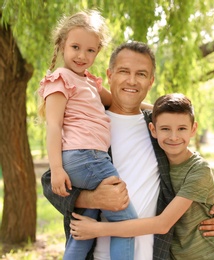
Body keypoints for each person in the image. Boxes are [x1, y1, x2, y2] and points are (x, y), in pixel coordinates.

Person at [41, 41, 214, 260]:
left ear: (151, 82)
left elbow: (187, 173)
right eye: (123, 71)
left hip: (154, 254)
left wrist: (212, 206)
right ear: (109, 75)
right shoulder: (89, 123)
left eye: (141, 74)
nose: (131, 80)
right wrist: (92, 199)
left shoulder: (159, 129)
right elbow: (51, 183)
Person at [70, 93, 214, 259]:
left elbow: (162, 224)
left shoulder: (199, 170)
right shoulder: (160, 159)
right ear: (153, 130)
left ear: (193, 129)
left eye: (182, 129)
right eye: (165, 129)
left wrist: (97, 229)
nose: (174, 136)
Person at [38, 10, 138, 260]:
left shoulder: (90, 83)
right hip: (86, 158)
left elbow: (118, 101)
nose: (82, 56)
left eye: (91, 50)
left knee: (83, 230)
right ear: (61, 45)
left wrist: (157, 108)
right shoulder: (60, 79)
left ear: (98, 51)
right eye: (75, 47)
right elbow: (53, 127)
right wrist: (57, 169)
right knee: (126, 223)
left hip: (87, 159)